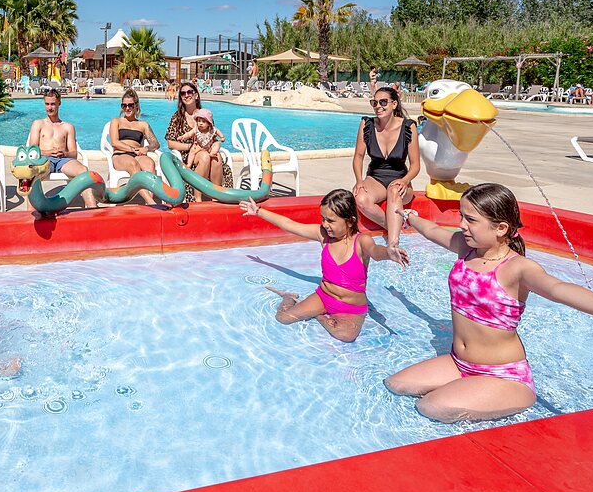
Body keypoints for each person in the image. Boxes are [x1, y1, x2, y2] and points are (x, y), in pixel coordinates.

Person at [383, 183, 593, 423]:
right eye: (461, 217)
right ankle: (470, 391)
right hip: (459, 362)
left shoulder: (517, 269)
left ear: (501, 228)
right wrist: (404, 213)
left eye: (470, 220)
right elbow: (431, 229)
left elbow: (560, 289)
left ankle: (513, 400)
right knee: (396, 385)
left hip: (501, 375)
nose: (462, 225)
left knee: (432, 407)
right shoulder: (465, 249)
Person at [242, 191, 408, 342]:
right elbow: (288, 224)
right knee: (284, 318)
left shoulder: (361, 241)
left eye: (330, 221)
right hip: (324, 297)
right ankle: (288, 297)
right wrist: (258, 211)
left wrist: (389, 253)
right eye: (323, 219)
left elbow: (375, 252)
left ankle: (320, 317)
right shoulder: (323, 236)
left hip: (351, 307)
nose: (325, 224)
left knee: (346, 336)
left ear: (350, 221)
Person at [352, 86, 419, 228]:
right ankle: (394, 227)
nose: (378, 106)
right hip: (375, 178)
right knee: (361, 198)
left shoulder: (408, 127)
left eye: (383, 102)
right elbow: (358, 156)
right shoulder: (367, 125)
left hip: (400, 178)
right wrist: (359, 180)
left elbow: (415, 165)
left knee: (394, 190)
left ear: (394, 104)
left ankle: (393, 243)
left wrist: (405, 180)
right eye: (374, 103)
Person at [26, 88, 98, 213]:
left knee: (83, 171)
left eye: (53, 104)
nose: (50, 108)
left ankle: (93, 209)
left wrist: (64, 153)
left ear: (59, 103)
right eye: (47, 104)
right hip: (44, 159)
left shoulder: (68, 127)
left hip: (63, 160)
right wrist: (47, 153)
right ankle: (30, 213)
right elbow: (32, 150)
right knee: (30, 173)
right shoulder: (38, 124)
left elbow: (73, 153)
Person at [165, 81, 235, 200]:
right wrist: (190, 147)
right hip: (188, 155)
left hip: (206, 149)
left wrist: (212, 146)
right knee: (204, 156)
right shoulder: (177, 117)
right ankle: (197, 198)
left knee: (216, 157)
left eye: (189, 92)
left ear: (196, 95)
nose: (186, 95)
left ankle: (216, 196)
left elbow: (213, 136)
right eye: (183, 93)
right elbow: (170, 143)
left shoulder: (205, 115)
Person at [108, 90, 161, 204]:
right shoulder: (116, 121)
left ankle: (148, 202)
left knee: (150, 163)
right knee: (133, 164)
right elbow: (115, 143)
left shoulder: (143, 125)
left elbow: (156, 143)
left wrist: (146, 149)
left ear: (136, 106)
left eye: (130, 105)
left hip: (138, 154)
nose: (127, 108)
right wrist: (132, 150)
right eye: (124, 105)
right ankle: (151, 202)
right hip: (121, 154)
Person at [176, 108, 225, 173]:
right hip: (199, 146)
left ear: (209, 123)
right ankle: (189, 163)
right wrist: (183, 137)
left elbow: (218, 132)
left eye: (203, 122)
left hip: (210, 146)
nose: (200, 123)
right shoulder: (196, 129)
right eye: (199, 121)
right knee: (192, 150)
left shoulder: (212, 130)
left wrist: (222, 137)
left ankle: (213, 152)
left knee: (217, 144)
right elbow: (189, 134)